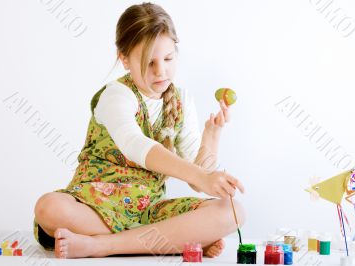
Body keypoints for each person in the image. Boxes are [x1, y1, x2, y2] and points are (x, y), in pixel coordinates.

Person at [34, 2, 245, 259]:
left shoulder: (181, 100)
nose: (161, 71)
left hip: (149, 208)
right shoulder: (116, 95)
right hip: (96, 203)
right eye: (149, 62)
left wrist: (212, 135)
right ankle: (172, 238)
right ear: (124, 59)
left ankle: (101, 245)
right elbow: (136, 145)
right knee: (49, 208)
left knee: (233, 211)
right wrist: (201, 181)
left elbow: (198, 178)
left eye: (168, 59)